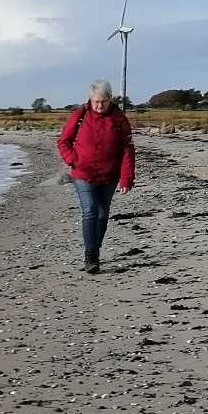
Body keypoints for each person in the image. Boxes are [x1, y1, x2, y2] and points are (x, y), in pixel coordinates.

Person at [57, 79, 135, 274]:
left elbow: (127, 149)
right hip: (83, 173)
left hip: (109, 175)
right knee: (90, 210)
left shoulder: (119, 119)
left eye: (104, 101)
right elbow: (63, 142)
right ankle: (91, 257)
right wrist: (73, 160)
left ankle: (94, 246)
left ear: (110, 99)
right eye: (96, 102)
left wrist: (127, 177)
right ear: (90, 99)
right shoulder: (79, 116)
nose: (100, 106)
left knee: (102, 215)